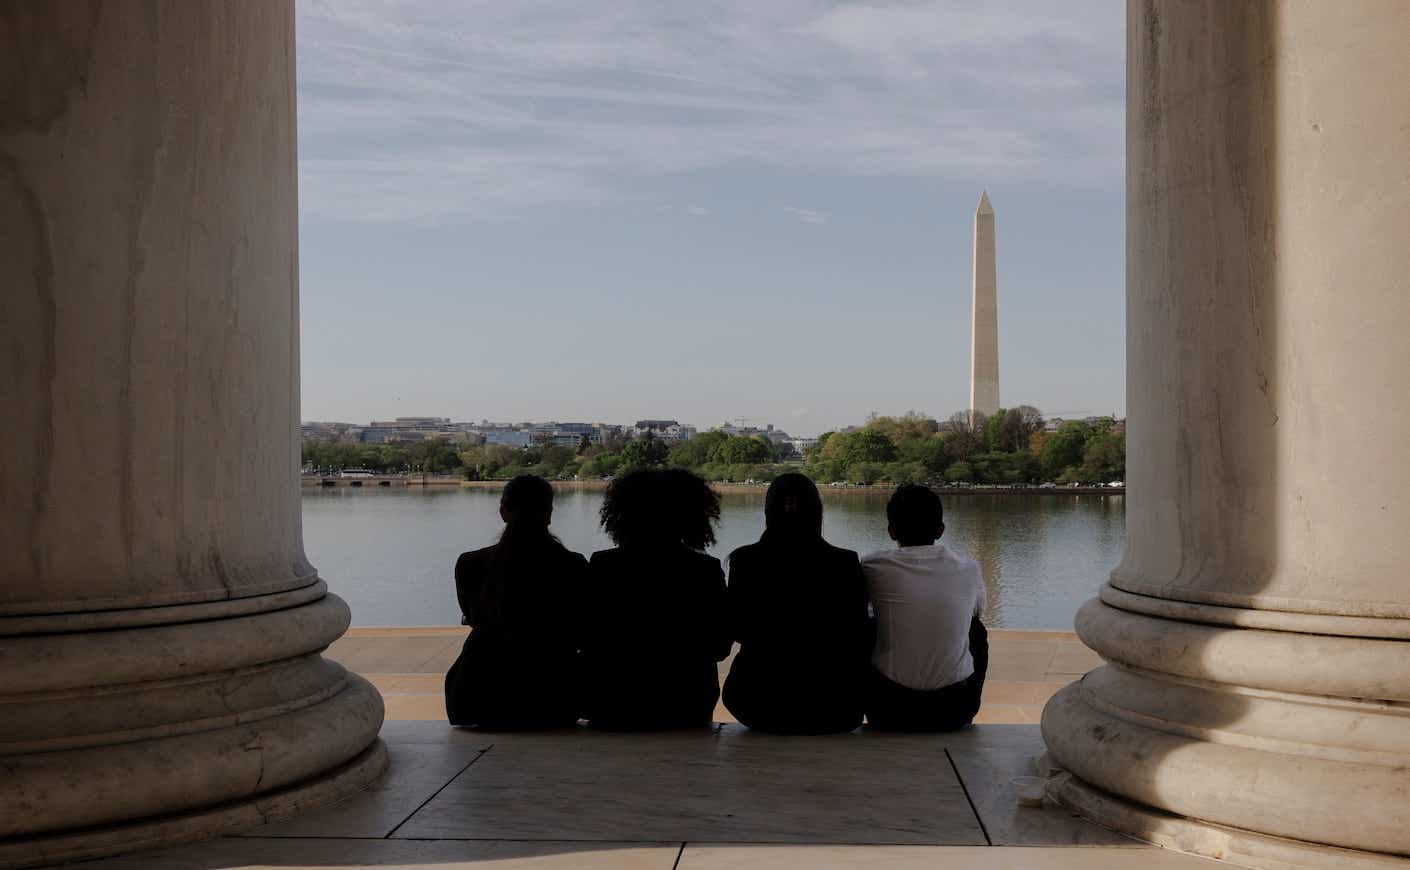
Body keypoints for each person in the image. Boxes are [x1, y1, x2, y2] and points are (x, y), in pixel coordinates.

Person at [581, 468, 731, 729]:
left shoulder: (602, 565)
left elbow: (583, 636)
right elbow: (720, 648)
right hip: (686, 705)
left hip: (611, 703)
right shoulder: (705, 570)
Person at [722, 473, 871, 734]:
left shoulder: (745, 561)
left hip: (755, 702)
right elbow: (857, 632)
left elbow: (736, 629)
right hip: (835, 707)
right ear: (817, 512)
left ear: (768, 511)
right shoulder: (845, 562)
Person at [444, 475, 588, 729]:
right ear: (549, 514)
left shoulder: (470, 564)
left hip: (477, 697)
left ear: (503, 512)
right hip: (555, 700)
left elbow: (473, 615)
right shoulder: (573, 565)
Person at [860, 484, 988, 731]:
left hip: (888, 710)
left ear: (891, 530)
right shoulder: (969, 568)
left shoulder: (871, 566)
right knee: (977, 632)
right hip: (952, 710)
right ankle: (969, 709)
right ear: (940, 530)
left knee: (867, 624)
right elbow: (974, 616)